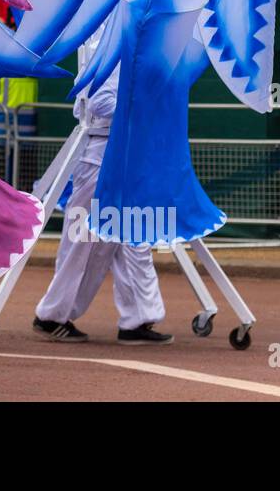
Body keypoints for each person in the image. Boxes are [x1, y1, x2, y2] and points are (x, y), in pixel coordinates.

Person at [32, 58, 173, 345]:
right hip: (100, 154)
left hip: (122, 152)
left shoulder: (130, 49)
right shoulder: (110, 51)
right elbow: (99, 103)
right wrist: (145, 106)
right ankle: (52, 315)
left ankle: (138, 319)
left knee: (132, 238)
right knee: (83, 241)